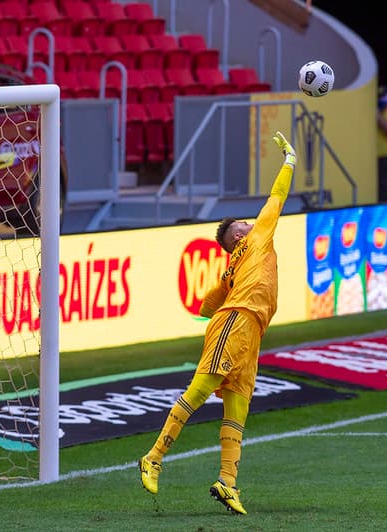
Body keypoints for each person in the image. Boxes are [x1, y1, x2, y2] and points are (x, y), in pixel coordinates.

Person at [138, 130, 297, 516]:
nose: (250, 222)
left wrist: (221, 296)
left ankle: (227, 482)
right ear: (239, 234)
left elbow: (205, 304)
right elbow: (277, 197)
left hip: (250, 331)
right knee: (200, 390)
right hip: (237, 321)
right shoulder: (257, 238)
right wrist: (289, 161)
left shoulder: (232, 269)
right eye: (243, 223)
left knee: (237, 409)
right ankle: (153, 457)